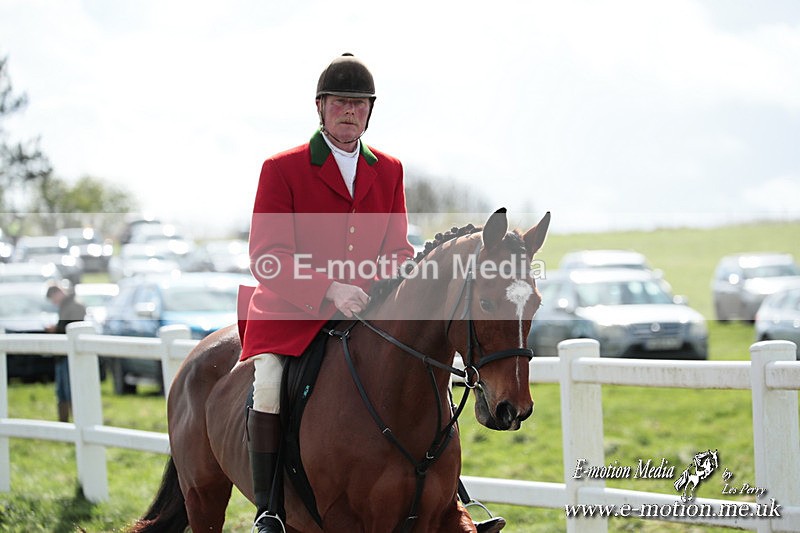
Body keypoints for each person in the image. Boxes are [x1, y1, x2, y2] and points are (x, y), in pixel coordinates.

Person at [240, 52, 414, 533]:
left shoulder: (392, 170)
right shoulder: (282, 168)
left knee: (417, 378)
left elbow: (399, 250)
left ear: (370, 111)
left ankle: (449, 496)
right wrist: (328, 289)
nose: (350, 112)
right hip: (293, 314)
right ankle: (270, 508)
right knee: (270, 386)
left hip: (366, 312)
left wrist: (375, 289)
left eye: (360, 104)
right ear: (321, 107)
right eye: (341, 102)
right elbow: (266, 256)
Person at [46, 285, 86, 422]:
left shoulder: (74, 306)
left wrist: (56, 329)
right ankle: (65, 424)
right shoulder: (67, 306)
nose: (53, 302)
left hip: (69, 355)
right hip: (63, 354)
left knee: (70, 390)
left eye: (53, 298)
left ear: (58, 293)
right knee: (62, 391)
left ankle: (77, 421)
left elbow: (73, 328)